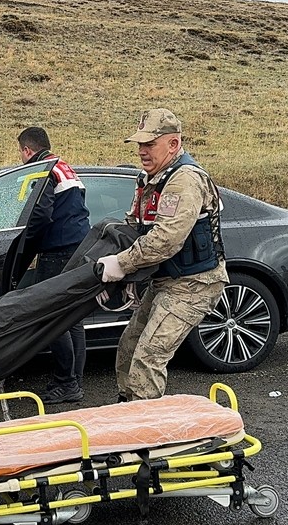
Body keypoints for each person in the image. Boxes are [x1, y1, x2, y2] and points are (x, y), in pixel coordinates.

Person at [96, 109, 229, 402]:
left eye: (150, 144)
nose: (142, 151)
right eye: (139, 144)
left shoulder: (184, 180)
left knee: (148, 357)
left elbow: (167, 239)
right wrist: (125, 274)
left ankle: (144, 423)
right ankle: (127, 408)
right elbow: (135, 226)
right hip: (164, 281)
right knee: (129, 346)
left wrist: (123, 263)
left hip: (194, 285)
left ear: (173, 144)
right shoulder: (150, 179)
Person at [15, 127, 92, 404]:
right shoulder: (65, 167)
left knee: (49, 315)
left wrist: (24, 242)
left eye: (21, 152)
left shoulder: (43, 170)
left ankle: (66, 382)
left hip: (58, 250)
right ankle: (74, 382)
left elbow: (41, 213)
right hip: (78, 246)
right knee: (72, 318)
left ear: (27, 150)